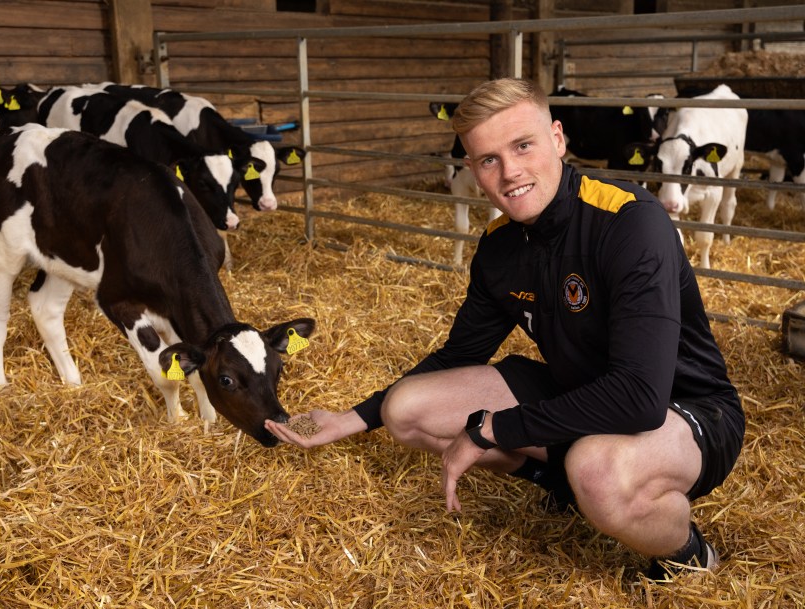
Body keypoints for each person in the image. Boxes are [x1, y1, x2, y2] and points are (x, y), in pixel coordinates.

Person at [265, 77, 745, 581]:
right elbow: (457, 356)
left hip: (685, 410)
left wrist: (493, 429)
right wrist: (352, 418)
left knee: (596, 469)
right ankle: (561, 485)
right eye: (488, 159)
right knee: (406, 409)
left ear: (557, 139)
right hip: (579, 392)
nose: (509, 172)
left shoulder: (629, 221)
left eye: (522, 145)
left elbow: (640, 398)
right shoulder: (499, 247)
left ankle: (689, 555)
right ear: (471, 169)